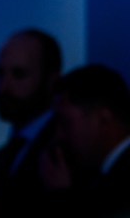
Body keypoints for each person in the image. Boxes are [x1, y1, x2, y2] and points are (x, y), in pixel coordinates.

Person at [0, 28, 63, 217]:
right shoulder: (6, 154)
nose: (4, 86)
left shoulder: (62, 150)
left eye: (19, 74)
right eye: (0, 73)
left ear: (52, 81)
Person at [43, 64, 130, 217]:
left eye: (65, 122)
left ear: (103, 119)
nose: (58, 136)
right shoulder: (104, 180)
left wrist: (62, 198)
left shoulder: (119, 187)